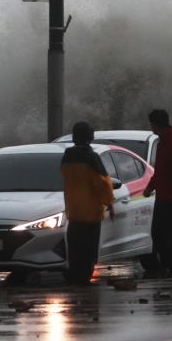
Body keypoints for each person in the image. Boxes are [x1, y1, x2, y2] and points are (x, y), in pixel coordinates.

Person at [60, 121, 115, 283]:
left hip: (73, 210)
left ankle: (75, 273)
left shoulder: (67, 157)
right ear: (88, 137)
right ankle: (84, 276)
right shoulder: (91, 157)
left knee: (75, 246)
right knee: (88, 247)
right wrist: (109, 203)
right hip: (91, 212)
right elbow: (103, 182)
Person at [142, 108, 172, 276]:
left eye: (152, 124)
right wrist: (150, 187)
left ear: (157, 125)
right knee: (158, 232)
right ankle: (167, 265)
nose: (151, 127)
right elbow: (160, 171)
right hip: (163, 196)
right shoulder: (162, 142)